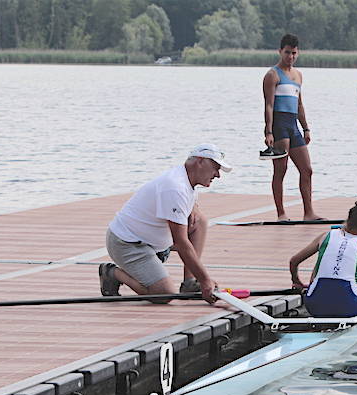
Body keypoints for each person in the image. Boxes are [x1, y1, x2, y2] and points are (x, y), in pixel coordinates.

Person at [99, 143, 233, 304]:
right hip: (127, 243)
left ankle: (189, 282)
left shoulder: (186, 179)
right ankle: (111, 273)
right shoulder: (175, 187)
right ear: (200, 161)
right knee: (164, 294)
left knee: (200, 221)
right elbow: (181, 242)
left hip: (153, 242)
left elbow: (187, 205)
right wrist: (205, 281)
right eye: (215, 168)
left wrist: (193, 208)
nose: (218, 175)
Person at [289, 196, 357, 317]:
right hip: (351, 306)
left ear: (347, 221)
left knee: (323, 259)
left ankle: (320, 291)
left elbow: (293, 262)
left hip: (314, 305)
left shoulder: (326, 236)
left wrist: (297, 282)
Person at [261, 33, 322, 222]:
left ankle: (309, 213)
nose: (291, 57)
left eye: (294, 53)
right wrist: (268, 131)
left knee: (307, 170)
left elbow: (300, 105)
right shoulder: (272, 75)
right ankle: (281, 214)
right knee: (281, 170)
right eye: (287, 53)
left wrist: (306, 128)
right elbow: (269, 105)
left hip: (294, 125)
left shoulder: (298, 75)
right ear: (280, 51)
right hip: (279, 126)